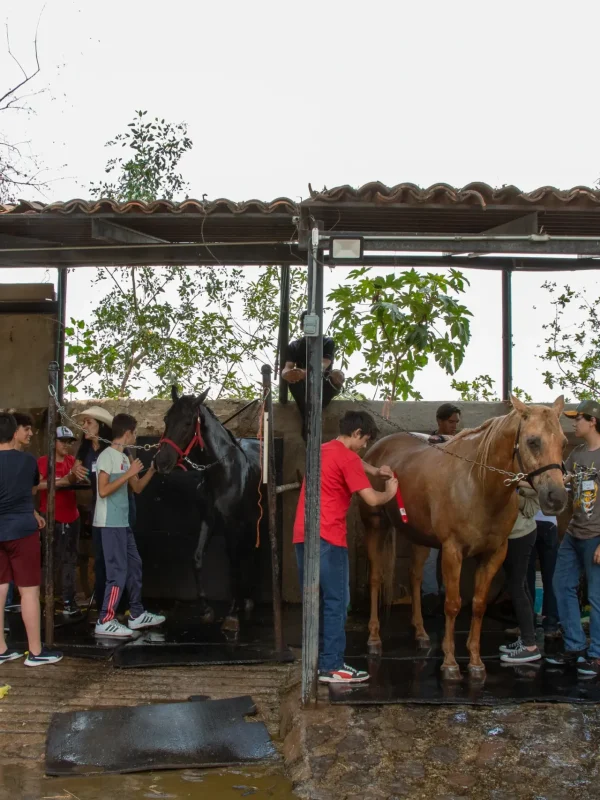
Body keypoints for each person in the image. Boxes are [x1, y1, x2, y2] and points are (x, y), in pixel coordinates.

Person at [293, 410, 398, 683]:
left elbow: (352, 461)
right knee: (337, 601)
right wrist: (390, 492)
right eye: (365, 441)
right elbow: (372, 499)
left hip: (303, 535)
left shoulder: (323, 449)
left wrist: (375, 469)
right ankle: (332, 666)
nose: (364, 446)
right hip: (329, 536)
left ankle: (315, 662)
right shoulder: (348, 457)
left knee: (313, 601)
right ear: (356, 434)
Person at [0, 413, 62, 666]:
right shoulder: (28, 461)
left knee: (0, 589)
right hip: (22, 532)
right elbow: (32, 488)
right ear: (14, 433)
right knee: (28, 592)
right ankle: (35, 652)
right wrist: (32, 512)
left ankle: (1, 649)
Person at [94, 413, 164, 637]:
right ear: (127, 433)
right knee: (117, 572)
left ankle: (136, 614)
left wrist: (151, 469)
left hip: (123, 524)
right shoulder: (107, 456)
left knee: (135, 566)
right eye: (135, 432)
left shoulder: (125, 457)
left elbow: (138, 488)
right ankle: (105, 619)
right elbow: (103, 491)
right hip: (109, 524)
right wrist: (129, 474)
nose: (136, 436)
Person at [547, 400, 600, 675]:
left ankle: (597, 655)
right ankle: (575, 647)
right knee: (561, 586)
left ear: (592, 420)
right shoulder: (577, 454)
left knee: (596, 596)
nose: (573, 424)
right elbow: (560, 479)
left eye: (577, 419)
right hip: (573, 533)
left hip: (596, 536)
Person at [36, 427, 88, 617]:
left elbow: (79, 479)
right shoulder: (43, 462)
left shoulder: (72, 462)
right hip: (52, 517)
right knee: (50, 559)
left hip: (72, 517)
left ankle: (68, 600)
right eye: (63, 441)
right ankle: (44, 600)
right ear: (53, 442)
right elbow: (36, 485)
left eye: (69, 442)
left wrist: (73, 476)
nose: (67, 445)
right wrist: (60, 481)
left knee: (70, 559)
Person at [74, 406, 114, 612]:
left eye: (89, 422)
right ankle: (101, 605)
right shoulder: (85, 451)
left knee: (115, 557)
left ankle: (117, 605)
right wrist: (75, 470)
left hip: (116, 508)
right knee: (99, 557)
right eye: (84, 423)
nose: (84, 426)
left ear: (101, 426)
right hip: (98, 507)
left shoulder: (113, 449)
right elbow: (79, 475)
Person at [422, 404, 461, 611]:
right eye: (451, 421)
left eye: (456, 422)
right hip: (432, 507)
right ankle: (429, 594)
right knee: (429, 554)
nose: (454, 426)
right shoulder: (431, 443)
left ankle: (449, 591)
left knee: (452, 553)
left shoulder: (460, 443)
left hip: (455, 508)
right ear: (440, 421)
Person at [281, 311, 345, 439]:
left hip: (323, 385)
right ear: (302, 326)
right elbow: (286, 368)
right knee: (294, 381)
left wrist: (303, 373)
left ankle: (310, 418)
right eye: (306, 324)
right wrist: (288, 374)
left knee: (338, 375)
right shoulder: (294, 345)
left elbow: (323, 365)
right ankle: (311, 419)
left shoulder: (327, 342)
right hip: (302, 387)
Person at [499, 481, 542, 663]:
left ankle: (530, 646)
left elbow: (532, 508)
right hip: (508, 535)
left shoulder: (530, 481)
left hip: (521, 535)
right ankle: (526, 637)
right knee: (520, 585)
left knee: (517, 588)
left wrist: (511, 494)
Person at [527, 509, 560, 637]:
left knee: (527, 577)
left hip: (528, 524)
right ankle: (551, 625)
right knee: (550, 576)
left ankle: (527, 625)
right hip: (549, 523)